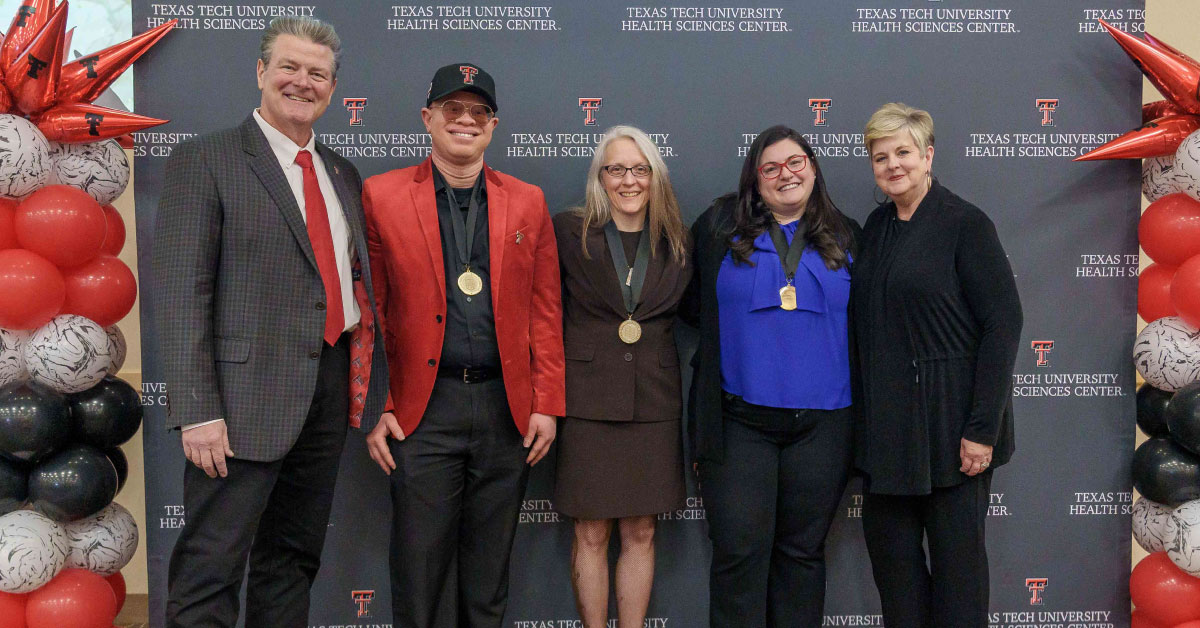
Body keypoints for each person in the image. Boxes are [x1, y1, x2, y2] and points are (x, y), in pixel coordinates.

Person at [152, 16, 388, 627]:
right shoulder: (205, 160)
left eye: (317, 73)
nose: (301, 82)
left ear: (333, 90)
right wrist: (198, 408)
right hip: (238, 403)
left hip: (327, 390)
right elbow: (181, 294)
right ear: (260, 72)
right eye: (289, 66)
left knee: (293, 559)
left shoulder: (341, 173)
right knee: (211, 565)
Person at [361, 63, 565, 628]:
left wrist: (546, 401)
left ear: (493, 125)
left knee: (488, 578)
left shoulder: (527, 200)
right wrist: (377, 402)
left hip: (507, 411)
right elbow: (368, 314)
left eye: (479, 112)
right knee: (418, 576)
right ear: (428, 118)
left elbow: (545, 310)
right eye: (453, 109)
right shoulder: (380, 195)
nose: (466, 121)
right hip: (421, 411)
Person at [851, 102, 1022, 627]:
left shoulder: (966, 223)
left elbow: (1003, 325)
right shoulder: (875, 227)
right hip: (888, 438)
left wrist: (980, 429)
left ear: (928, 155)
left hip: (955, 432)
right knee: (896, 580)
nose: (892, 165)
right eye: (881, 157)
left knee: (960, 580)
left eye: (903, 152)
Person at [681, 125, 858, 627]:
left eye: (796, 162)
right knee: (739, 555)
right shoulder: (718, 228)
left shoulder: (848, 235)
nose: (786, 174)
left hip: (824, 428)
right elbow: (693, 306)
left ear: (814, 167)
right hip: (739, 425)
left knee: (801, 557)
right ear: (755, 181)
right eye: (771, 167)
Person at [552, 126, 691, 628]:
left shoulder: (678, 240)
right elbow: (543, 314)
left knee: (641, 531)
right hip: (586, 402)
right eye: (616, 169)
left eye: (639, 169)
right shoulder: (568, 233)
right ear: (600, 178)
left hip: (654, 404)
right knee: (590, 533)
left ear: (655, 176)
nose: (628, 180)